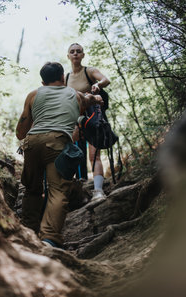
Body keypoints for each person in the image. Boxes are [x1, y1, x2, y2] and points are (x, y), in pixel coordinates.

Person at [16, 62, 103, 248]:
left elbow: (20, 132)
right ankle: (49, 239)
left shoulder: (33, 94)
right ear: (63, 78)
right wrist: (96, 100)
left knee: (32, 189)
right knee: (58, 191)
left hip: (32, 143)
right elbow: (88, 99)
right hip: (57, 143)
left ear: (42, 81)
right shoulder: (74, 94)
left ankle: (28, 233)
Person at [66, 42, 111, 201]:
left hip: (93, 118)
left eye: (79, 51)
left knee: (94, 155)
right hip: (74, 119)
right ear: (68, 56)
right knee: (70, 153)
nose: (76, 53)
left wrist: (97, 85)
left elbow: (106, 79)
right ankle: (72, 189)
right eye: (72, 51)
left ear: (83, 55)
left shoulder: (89, 71)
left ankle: (98, 191)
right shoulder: (66, 77)